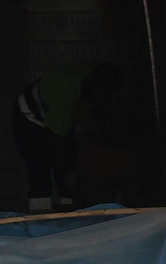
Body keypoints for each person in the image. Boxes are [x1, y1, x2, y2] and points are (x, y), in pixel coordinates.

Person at [12, 63, 121, 212]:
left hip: (56, 117)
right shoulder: (66, 96)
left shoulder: (94, 87)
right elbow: (56, 142)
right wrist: (70, 172)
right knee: (40, 167)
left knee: (65, 165)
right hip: (28, 116)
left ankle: (69, 208)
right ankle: (41, 215)